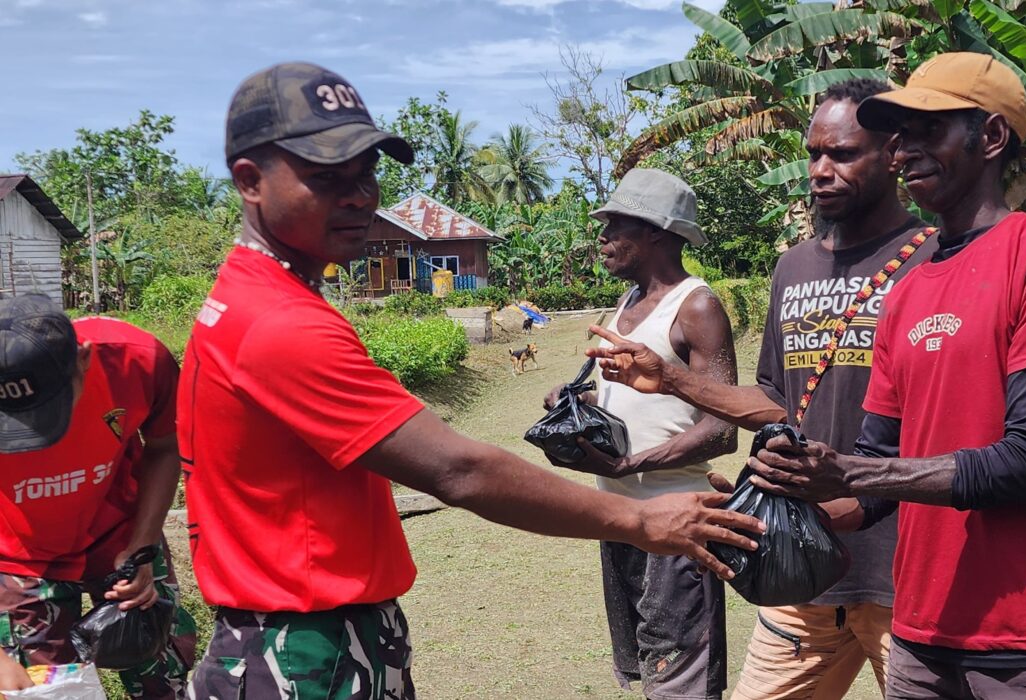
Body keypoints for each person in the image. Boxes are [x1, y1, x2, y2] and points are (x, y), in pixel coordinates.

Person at [179, 62, 764, 700]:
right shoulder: (281, 325)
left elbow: (720, 425)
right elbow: (460, 471)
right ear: (249, 181)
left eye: (366, 172)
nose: (360, 196)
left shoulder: (249, 302)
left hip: (312, 631)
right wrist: (639, 519)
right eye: (325, 177)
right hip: (303, 650)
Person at [743, 53, 1026, 699]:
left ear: (992, 138)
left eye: (928, 130)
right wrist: (782, 508)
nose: (905, 151)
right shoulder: (910, 291)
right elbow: (880, 473)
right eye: (900, 135)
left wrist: (854, 472)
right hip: (921, 635)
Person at [589, 78, 937, 699]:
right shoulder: (794, 266)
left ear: (894, 153)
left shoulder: (933, 259)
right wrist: (669, 377)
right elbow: (775, 400)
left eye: (844, 154)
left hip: (903, 571)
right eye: (813, 154)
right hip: (799, 558)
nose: (820, 171)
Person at [541, 168, 738, 700]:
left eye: (615, 224)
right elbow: (636, 399)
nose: (601, 238)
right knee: (647, 672)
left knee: (681, 681)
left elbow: (722, 430)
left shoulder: (696, 306)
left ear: (656, 232)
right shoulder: (626, 305)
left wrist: (630, 465)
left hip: (678, 519)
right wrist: (576, 400)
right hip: (623, 519)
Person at [0, 294, 196, 699]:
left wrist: (142, 546)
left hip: (122, 535)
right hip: (20, 557)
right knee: (49, 690)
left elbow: (164, 444)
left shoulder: (136, 361)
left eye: (45, 411)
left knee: (161, 673)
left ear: (83, 360)